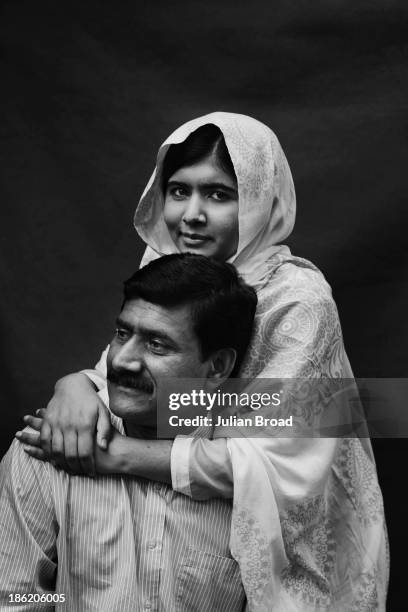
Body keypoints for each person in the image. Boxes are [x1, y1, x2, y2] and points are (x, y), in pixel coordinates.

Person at [18, 113, 388, 610]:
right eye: (178, 191)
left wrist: (117, 458)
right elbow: (132, 376)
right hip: (182, 479)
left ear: (259, 199)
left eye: (218, 194)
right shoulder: (164, 263)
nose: (191, 215)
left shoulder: (298, 299)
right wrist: (75, 386)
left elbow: (285, 456)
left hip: (281, 520)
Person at [0, 253, 257, 611]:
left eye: (157, 344)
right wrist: (64, 597)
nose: (121, 360)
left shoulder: (258, 473)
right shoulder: (47, 450)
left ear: (216, 368)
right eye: (123, 333)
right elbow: (16, 598)